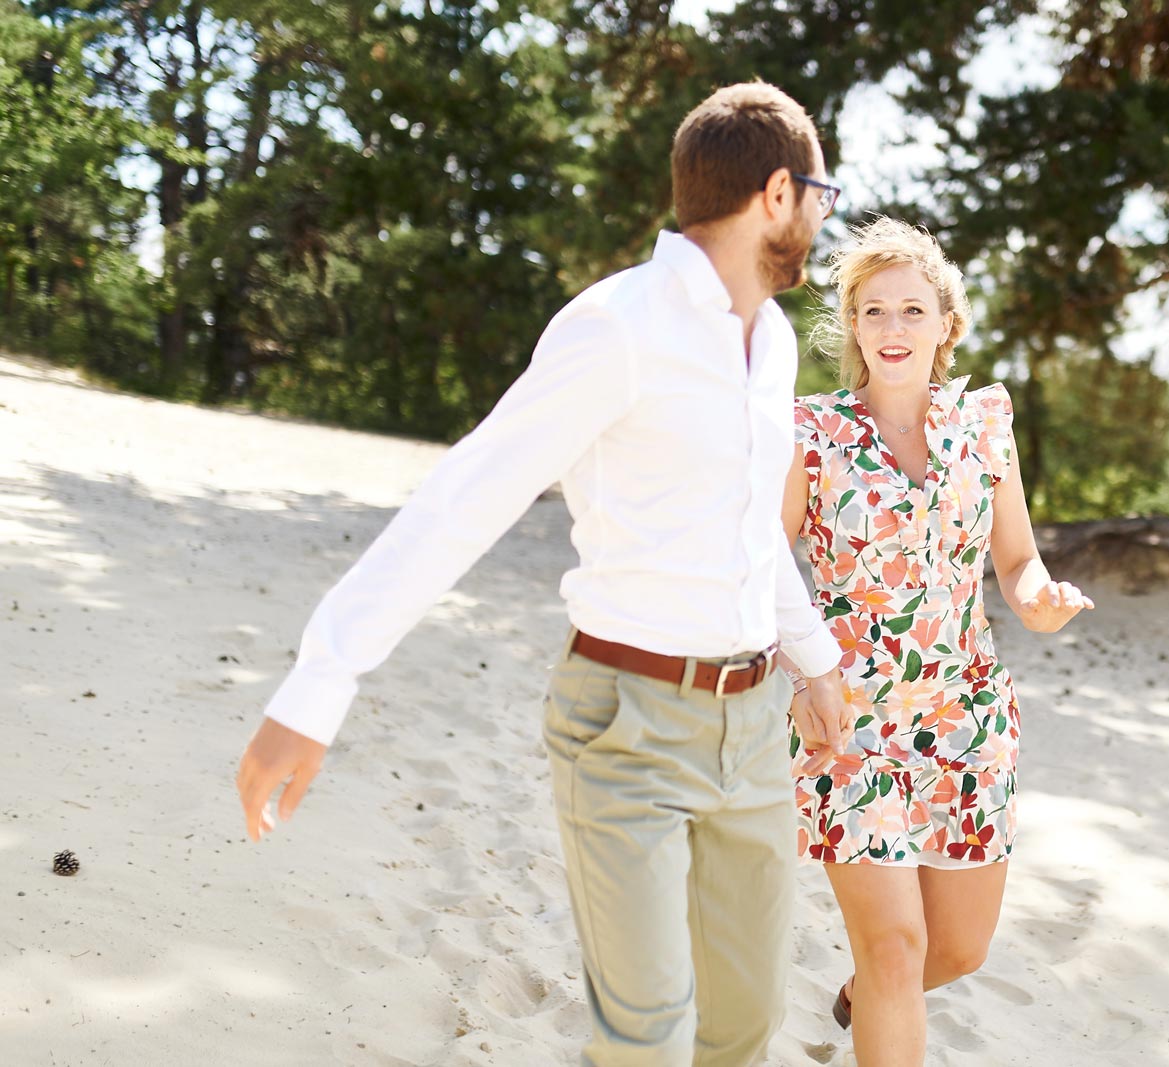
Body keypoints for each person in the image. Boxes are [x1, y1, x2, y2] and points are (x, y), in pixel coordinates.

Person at [234, 82, 858, 1067]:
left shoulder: (771, 342)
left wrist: (815, 663)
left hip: (752, 724)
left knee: (741, 1023)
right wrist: (320, 681)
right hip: (626, 722)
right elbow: (466, 496)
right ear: (777, 194)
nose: (824, 216)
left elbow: (746, 532)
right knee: (645, 1033)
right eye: (819, 192)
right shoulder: (617, 325)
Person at [781, 218, 1093, 1067]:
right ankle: (878, 983)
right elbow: (762, 563)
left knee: (956, 951)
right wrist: (797, 661)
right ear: (851, 325)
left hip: (968, 719)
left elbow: (1017, 558)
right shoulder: (811, 433)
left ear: (946, 324)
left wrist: (1041, 600)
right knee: (896, 947)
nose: (891, 328)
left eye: (912, 309)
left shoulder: (985, 425)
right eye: (873, 310)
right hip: (846, 719)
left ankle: (861, 999)